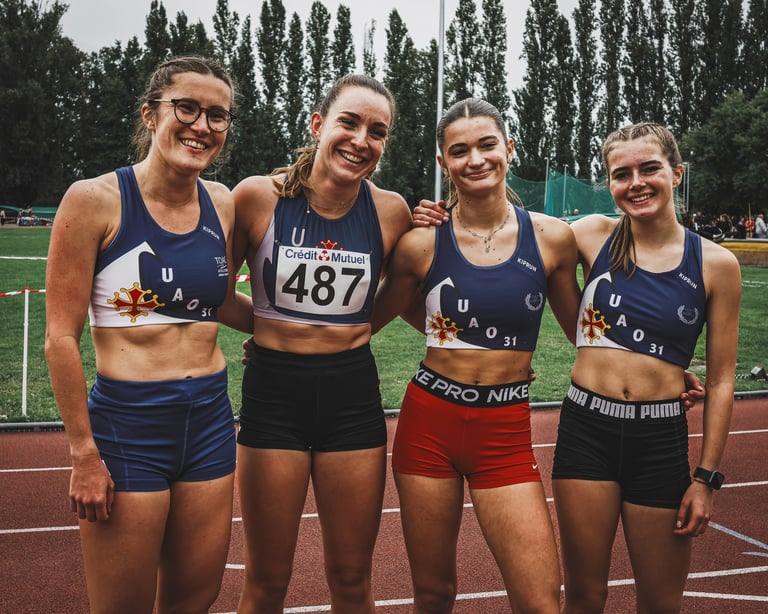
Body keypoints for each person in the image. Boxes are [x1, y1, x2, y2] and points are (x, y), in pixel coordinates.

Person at [44, 56, 251, 614]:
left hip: (209, 418)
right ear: (150, 114)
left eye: (217, 115)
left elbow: (217, 301)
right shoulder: (94, 200)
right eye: (186, 108)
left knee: (196, 598)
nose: (202, 126)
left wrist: (289, 332)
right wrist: (83, 454)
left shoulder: (222, 203)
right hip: (128, 424)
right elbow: (60, 338)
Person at [372, 98, 581, 613]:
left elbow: (585, 331)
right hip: (428, 425)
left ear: (509, 148)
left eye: (487, 145)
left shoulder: (552, 239)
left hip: (505, 433)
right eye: (459, 150)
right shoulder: (421, 243)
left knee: (540, 601)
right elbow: (366, 320)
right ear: (444, 162)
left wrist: (659, 372)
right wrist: (277, 339)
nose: (476, 159)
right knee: (434, 594)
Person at [230, 74, 413, 613]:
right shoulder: (256, 197)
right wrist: (270, 328)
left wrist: (346, 329)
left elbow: (401, 293)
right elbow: (215, 294)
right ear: (317, 125)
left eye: (377, 132)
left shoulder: (392, 212)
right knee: (266, 580)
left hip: (350, 396)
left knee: (352, 577)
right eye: (348, 123)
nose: (361, 140)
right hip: (273, 395)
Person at [552, 122, 741, 613]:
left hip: (658, 441)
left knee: (660, 603)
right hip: (585, 432)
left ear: (676, 173)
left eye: (649, 168)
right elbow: (513, 237)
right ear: (609, 183)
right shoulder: (591, 235)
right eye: (622, 174)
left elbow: (721, 380)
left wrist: (706, 478)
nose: (636, 183)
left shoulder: (716, 264)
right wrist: (440, 213)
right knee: (584, 598)